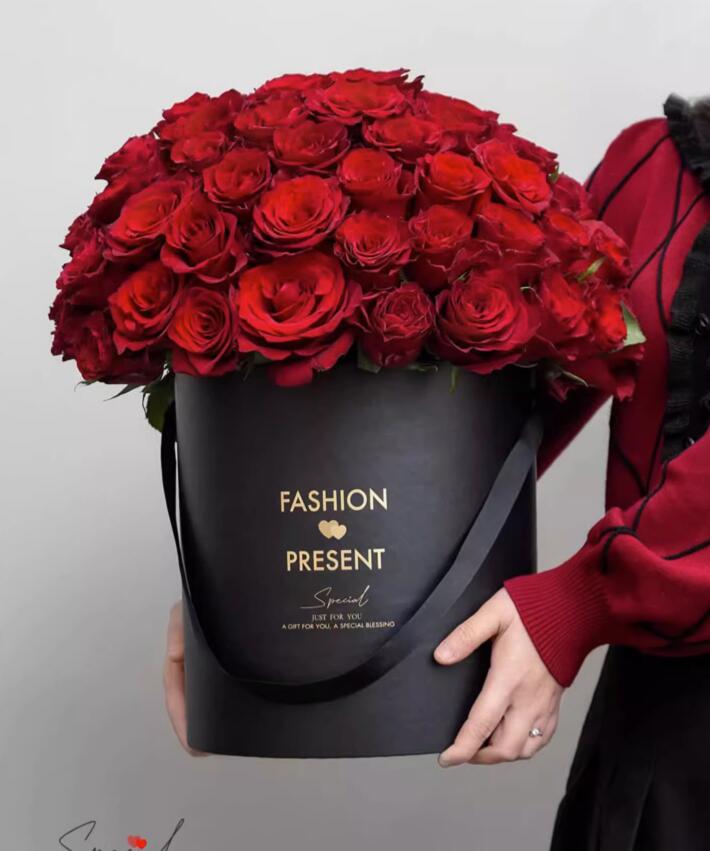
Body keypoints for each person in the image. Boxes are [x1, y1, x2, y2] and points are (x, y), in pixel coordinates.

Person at [164, 95, 710, 849]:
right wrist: (250, 579)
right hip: (663, 725)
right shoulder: (659, 163)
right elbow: (521, 388)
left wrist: (581, 598)